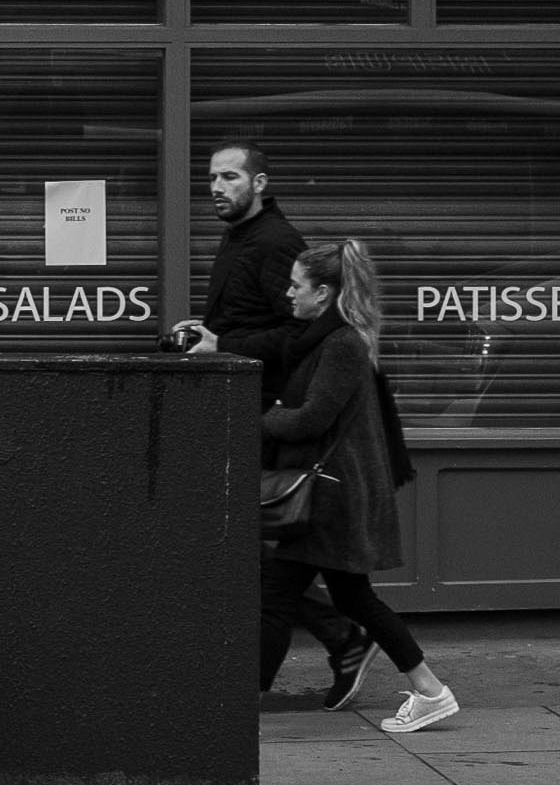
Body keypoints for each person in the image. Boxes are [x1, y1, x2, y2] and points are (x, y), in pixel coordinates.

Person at [170, 141, 373, 708]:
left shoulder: (276, 242)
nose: (216, 186)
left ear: (259, 183)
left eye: (230, 177)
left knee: (262, 553)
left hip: (264, 420)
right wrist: (210, 331)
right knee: (254, 553)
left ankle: (337, 643)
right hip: (244, 413)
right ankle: (341, 639)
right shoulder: (241, 237)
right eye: (211, 177)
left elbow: (295, 337)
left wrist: (222, 343)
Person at [259, 239, 457, 734]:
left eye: (296, 285)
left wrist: (263, 418)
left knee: (278, 595)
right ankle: (430, 689)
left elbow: (312, 419)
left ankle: (238, 708)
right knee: (349, 598)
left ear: (323, 293)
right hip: (332, 494)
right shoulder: (327, 340)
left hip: (334, 497)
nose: (288, 294)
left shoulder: (343, 344)